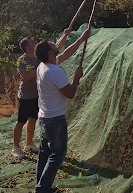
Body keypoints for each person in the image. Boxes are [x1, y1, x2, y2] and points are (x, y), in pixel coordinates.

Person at [34, 28, 90, 193]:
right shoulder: (55, 72)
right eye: (52, 45)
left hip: (44, 117)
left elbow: (65, 53)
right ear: (50, 53)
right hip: (55, 120)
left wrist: (81, 39)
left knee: (44, 154)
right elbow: (71, 93)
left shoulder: (43, 66)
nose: (55, 43)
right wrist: (77, 78)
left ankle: (42, 186)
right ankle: (42, 189)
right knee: (57, 155)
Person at [12, 29, 72, 158]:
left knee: (33, 120)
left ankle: (29, 144)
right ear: (28, 47)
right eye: (33, 42)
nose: (36, 42)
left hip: (37, 96)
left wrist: (65, 35)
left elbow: (56, 48)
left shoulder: (41, 59)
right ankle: (16, 148)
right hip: (26, 96)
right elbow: (26, 76)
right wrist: (42, 67)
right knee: (21, 121)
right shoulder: (22, 60)